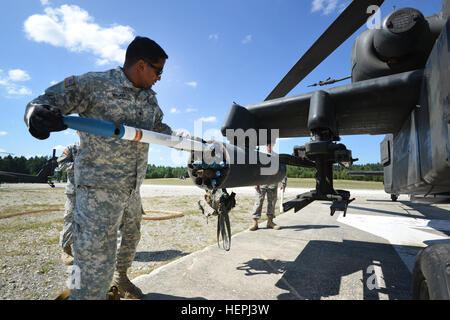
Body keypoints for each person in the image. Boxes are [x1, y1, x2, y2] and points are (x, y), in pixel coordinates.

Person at [24, 36, 175, 300]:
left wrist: (194, 143)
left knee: (129, 243)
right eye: (158, 70)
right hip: (98, 196)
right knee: (92, 270)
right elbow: (41, 101)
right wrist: (35, 115)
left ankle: (122, 279)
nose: (160, 78)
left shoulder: (150, 100)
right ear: (141, 65)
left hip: (131, 191)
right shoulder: (95, 84)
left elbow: (162, 130)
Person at [249, 144, 287, 231]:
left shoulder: (277, 157)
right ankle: (255, 223)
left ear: (273, 145)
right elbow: (256, 169)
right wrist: (255, 182)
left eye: (270, 144)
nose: (269, 146)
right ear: (266, 145)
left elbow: (282, 170)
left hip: (273, 183)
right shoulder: (261, 155)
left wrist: (283, 183)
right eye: (267, 144)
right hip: (261, 183)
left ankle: (270, 222)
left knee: (272, 203)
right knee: (258, 202)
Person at [57, 142, 79, 266]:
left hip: (92, 193)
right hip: (74, 191)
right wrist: (79, 166)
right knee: (69, 219)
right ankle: (65, 249)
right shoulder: (72, 147)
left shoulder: (96, 147)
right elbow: (61, 164)